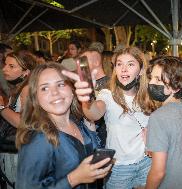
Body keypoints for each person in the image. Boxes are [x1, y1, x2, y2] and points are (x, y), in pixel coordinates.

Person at [63, 47, 154, 189]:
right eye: (119, 64)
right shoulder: (107, 95)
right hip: (119, 168)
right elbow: (94, 113)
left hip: (146, 163)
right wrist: (86, 100)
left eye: (130, 64)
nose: (124, 69)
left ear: (141, 70)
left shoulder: (148, 96)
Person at [15, 63, 111, 189]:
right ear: (35, 98)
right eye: (44, 88)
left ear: (72, 90)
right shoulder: (38, 138)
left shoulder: (78, 121)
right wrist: (73, 179)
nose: (55, 93)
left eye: (60, 84)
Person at [145, 56, 182, 189]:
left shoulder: (158, 117)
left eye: (158, 79)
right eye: (151, 77)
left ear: (176, 86)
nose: (151, 83)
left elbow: (158, 173)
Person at [0, 51, 37, 189]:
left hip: (21, 153)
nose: (4, 69)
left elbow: (23, 122)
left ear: (25, 72)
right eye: (5, 65)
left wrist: (1, 107)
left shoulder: (27, 89)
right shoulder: (19, 87)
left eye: (11, 66)